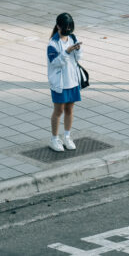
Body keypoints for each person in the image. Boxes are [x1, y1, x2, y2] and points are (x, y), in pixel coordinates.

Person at [47, 12, 83, 153]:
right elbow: (55, 63)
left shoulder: (73, 38)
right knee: (58, 110)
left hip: (72, 81)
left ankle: (67, 136)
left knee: (69, 109)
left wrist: (77, 50)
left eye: (70, 27)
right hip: (60, 83)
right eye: (65, 27)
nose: (68, 30)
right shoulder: (53, 44)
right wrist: (67, 52)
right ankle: (54, 139)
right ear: (58, 26)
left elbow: (78, 58)